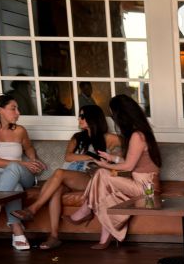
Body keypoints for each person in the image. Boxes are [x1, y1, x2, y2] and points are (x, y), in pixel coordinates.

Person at [14, 104, 120, 250]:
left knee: (59, 172)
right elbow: (68, 157)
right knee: (56, 190)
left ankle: (32, 209)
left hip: (89, 178)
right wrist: (91, 157)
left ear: (93, 118)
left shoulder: (109, 138)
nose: (79, 119)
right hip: (70, 176)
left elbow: (124, 153)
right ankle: (54, 236)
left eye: (82, 116)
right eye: (79, 116)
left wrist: (111, 159)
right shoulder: (78, 137)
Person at [69, 94, 161, 249]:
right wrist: (111, 158)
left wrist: (105, 165)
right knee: (105, 189)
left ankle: (86, 209)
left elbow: (128, 167)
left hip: (147, 189)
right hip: (142, 184)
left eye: (113, 115)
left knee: (101, 173)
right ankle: (103, 233)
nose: (113, 119)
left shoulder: (137, 136)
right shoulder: (140, 132)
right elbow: (132, 161)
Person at [0, 94, 46, 250]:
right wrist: (23, 163)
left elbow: (28, 148)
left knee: (14, 168)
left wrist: (33, 160)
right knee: (15, 188)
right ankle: (17, 230)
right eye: (13, 108)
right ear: (0, 110)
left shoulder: (20, 130)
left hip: (22, 174)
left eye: (18, 109)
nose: (18, 113)